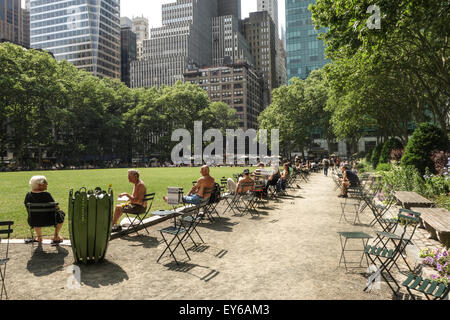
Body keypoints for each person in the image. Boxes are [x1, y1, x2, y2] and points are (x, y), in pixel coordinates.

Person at [24, 176, 65, 244]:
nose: (47, 184)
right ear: (39, 185)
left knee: (36, 215)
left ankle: (39, 237)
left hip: (34, 221)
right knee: (61, 213)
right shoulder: (47, 195)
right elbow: (57, 208)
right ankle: (56, 236)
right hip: (50, 220)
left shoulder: (28, 195)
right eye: (45, 182)